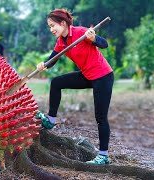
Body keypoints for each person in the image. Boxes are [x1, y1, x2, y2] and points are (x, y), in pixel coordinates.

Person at [36, 8, 114, 165]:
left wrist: (93, 39)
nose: (51, 29)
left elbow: (104, 44)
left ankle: (103, 156)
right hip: (87, 75)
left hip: (103, 76)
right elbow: (52, 61)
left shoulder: (81, 32)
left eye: (53, 25)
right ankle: (50, 120)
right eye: (49, 27)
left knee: (100, 117)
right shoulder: (61, 42)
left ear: (63, 23)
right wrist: (43, 65)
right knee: (56, 82)